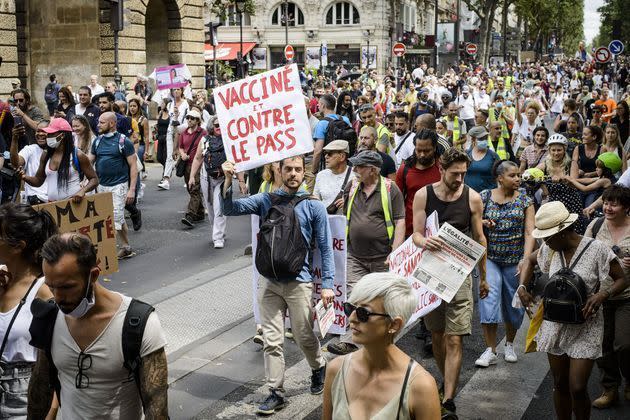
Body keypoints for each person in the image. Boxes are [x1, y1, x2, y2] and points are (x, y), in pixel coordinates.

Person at [221, 155, 332, 415]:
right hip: (269, 283)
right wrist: (228, 181)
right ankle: (275, 392)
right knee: (272, 341)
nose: (293, 174)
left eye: (298, 169)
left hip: (299, 283)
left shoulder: (314, 206)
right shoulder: (265, 200)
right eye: (288, 169)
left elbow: (325, 248)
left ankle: (318, 366)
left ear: (304, 173)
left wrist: (326, 284)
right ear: (279, 171)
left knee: (305, 336)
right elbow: (230, 209)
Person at [27, 233, 168, 419]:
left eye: (67, 287)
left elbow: (156, 406)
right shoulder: (50, 318)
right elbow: (41, 387)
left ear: (93, 275)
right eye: (51, 287)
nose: (58, 297)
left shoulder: (139, 324)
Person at [517, 201, 628, 420]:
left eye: (548, 236)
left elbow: (621, 279)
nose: (545, 241)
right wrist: (522, 286)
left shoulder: (597, 249)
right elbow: (528, 261)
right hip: (555, 324)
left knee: (577, 387)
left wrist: (602, 295)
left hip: (586, 325)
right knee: (560, 383)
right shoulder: (550, 249)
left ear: (564, 231)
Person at [411, 147, 488, 418]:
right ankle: (446, 382)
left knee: (455, 337)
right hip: (432, 275)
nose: (460, 179)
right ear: (441, 170)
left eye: (463, 174)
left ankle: (450, 398)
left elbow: (480, 238)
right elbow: (416, 235)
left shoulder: (473, 198)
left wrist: (483, 276)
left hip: (461, 274)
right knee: (437, 335)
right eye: (455, 174)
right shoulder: (424, 195)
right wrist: (424, 241)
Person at [322, 273, 441, 420]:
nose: (351, 318)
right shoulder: (336, 369)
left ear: (393, 324)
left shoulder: (421, 387)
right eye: (350, 308)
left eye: (363, 313)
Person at [327, 150, 405, 356]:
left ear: (372, 169)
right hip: (355, 255)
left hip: (382, 258)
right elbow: (340, 212)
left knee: (379, 303)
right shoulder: (351, 187)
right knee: (356, 297)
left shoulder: (390, 189)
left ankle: (379, 341)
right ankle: (350, 340)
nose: (355, 170)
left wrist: (395, 251)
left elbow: (400, 220)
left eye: (359, 167)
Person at [0, 203, 58, 419]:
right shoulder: (2, 277)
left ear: (18, 246)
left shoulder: (43, 292)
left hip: (23, 397)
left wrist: (50, 412)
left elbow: (60, 362)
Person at [475, 161, 535, 367]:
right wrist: (482, 223)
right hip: (490, 258)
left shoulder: (526, 200)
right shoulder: (484, 197)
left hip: (515, 260)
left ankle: (509, 344)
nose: (518, 178)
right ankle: (490, 349)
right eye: (513, 175)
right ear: (500, 178)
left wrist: (525, 260)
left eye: (519, 175)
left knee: (514, 304)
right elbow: (474, 224)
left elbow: (530, 233)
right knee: (488, 299)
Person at [583, 185, 630, 408]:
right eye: (606, 202)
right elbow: (584, 255)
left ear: (626, 208)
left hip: (627, 297)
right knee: (602, 346)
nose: (608, 208)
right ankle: (609, 388)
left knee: (625, 344)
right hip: (598, 296)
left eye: (614, 203)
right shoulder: (595, 225)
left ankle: (629, 380)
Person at [188, 116, 244, 248]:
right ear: (211, 127)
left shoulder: (230, 141)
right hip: (206, 177)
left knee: (220, 206)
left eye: (221, 125)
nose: (219, 127)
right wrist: (191, 176)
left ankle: (218, 237)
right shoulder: (204, 140)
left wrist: (241, 181)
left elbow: (238, 161)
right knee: (210, 206)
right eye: (216, 125)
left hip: (224, 179)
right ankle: (217, 230)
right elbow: (197, 159)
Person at [89, 112, 138, 259]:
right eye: (99, 122)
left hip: (119, 185)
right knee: (116, 218)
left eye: (102, 122)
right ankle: (126, 246)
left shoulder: (124, 142)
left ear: (112, 123)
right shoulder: (97, 141)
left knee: (115, 218)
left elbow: (133, 166)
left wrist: (132, 190)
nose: (98, 125)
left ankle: (106, 253)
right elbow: (90, 161)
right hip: (102, 186)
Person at [21, 118, 98, 203]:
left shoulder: (78, 155)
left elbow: (94, 179)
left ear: (62, 135)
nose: (48, 136)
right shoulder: (46, 155)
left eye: (51, 134)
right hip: (52, 206)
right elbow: (38, 181)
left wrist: (82, 191)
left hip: (74, 205)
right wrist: (24, 177)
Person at [538, 134, 589, 234]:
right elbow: (532, 173)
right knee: (554, 233)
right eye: (553, 150)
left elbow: (574, 184)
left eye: (559, 150)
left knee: (573, 232)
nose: (556, 153)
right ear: (549, 150)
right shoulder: (544, 165)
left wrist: (565, 180)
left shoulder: (571, 164)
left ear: (564, 150)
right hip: (553, 204)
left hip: (571, 202)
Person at [395, 129, 442, 238]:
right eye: (418, 150)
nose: (422, 155)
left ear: (434, 148)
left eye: (427, 151)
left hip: (437, 231)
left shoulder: (443, 168)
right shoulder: (404, 170)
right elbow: (397, 202)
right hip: (410, 232)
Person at [177, 109, 206, 227]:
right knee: (191, 188)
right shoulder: (184, 132)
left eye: (192, 118)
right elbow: (181, 147)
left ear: (198, 121)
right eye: (188, 117)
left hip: (198, 165)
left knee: (194, 189)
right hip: (186, 164)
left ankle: (191, 215)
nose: (189, 120)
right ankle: (200, 212)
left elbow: (206, 146)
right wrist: (182, 154)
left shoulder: (203, 133)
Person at [9, 123, 48, 205]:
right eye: (38, 131)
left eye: (44, 131)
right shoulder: (30, 149)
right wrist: (15, 138)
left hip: (54, 200)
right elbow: (16, 164)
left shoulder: (58, 152)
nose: (40, 134)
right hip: (34, 200)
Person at [158, 87, 189, 191]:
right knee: (169, 156)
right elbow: (168, 119)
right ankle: (166, 179)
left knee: (183, 155)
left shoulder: (185, 104)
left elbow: (187, 120)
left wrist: (177, 117)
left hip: (181, 131)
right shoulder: (170, 104)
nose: (176, 91)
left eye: (178, 89)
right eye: (174, 89)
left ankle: (187, 177)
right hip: (170, 131)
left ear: (182, 91)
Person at [312, 94, 351, 174]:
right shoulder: (345, 120)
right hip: (345, 164)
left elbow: (318, 151)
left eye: (319, 104)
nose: (317, 106)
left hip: (329, 167)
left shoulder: (321, 124)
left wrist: (314, 170)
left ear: (323, 105)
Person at [313, 140, 354, 211]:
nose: (326, 156)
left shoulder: (355, 175)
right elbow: (315, 200)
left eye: (329, 153)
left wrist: (350, 203)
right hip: (325, 220)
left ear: (342, 156)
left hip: (347, 220)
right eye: (325, 153)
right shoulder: (321, 175)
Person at [465, 126, 500, 193]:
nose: (484, 140)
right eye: (480, 139)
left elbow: (499, 177)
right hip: (468, 194)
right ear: (473, 139)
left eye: (485, 138)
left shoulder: (493, 156)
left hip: (487, 196)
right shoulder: (466, 154)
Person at [127, 97, 149, 180]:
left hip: (140, 145)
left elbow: (146, 137)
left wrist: (146, 151)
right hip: (128, 144)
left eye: (134, 106)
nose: (132, 108)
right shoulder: (126, 119)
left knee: (136, 167)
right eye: (131, 106)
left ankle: (137, 185)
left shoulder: (143, 120)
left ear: (138, 107)